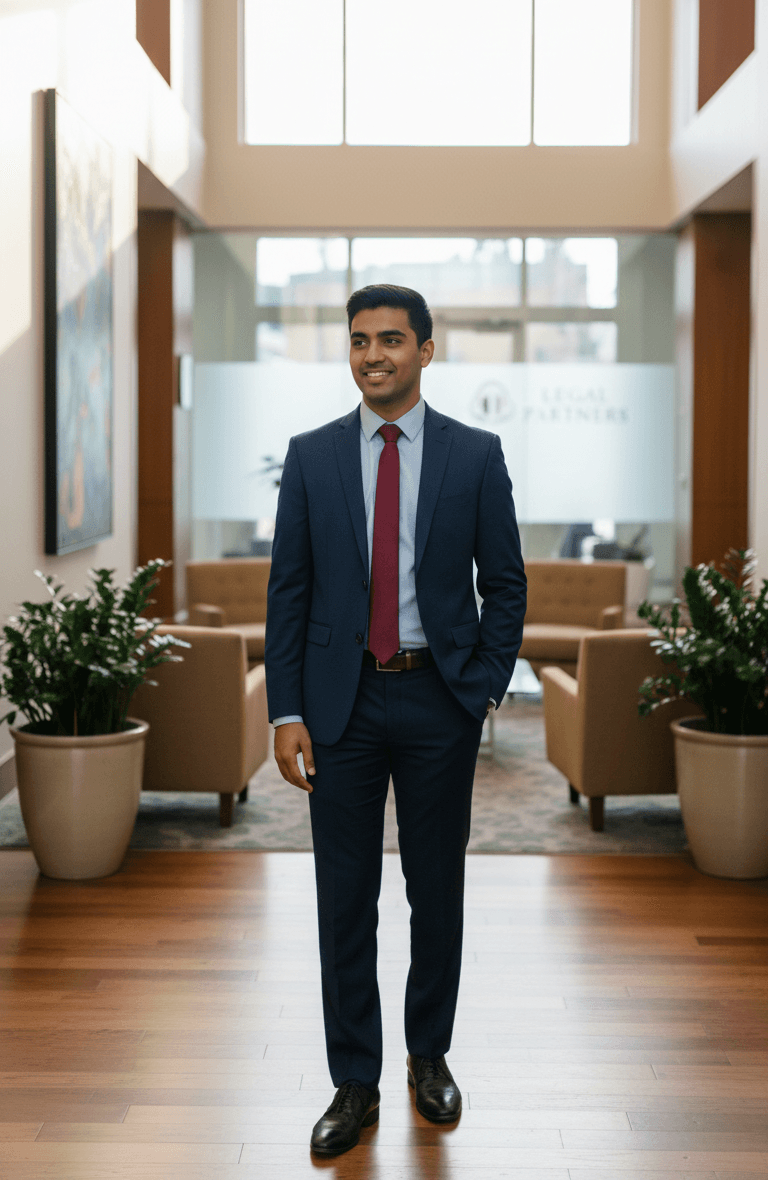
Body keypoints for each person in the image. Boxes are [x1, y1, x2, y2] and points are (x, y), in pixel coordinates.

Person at [265, 283, 527, 1158]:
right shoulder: (311, 457)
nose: (372, 354)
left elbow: (508, 584)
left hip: (436, 697)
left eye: (390, 340)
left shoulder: (476, 454)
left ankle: (429, 1057)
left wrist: (481, 686)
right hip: (339, 704)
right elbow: (289, 595)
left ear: (425, 348)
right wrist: (288, 710)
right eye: (358, 341)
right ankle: (353, 1081)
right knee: (345, 900)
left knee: (434, 892)